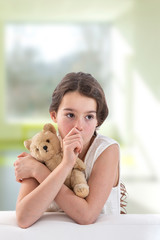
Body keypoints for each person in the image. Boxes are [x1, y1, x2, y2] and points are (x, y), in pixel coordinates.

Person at [14, 72, 124, 229]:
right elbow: (24, 218)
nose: (78, 126)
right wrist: (62, 165)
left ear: (97, 120)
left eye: (89, 117)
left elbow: (87, 216)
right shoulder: (43, 148)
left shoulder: (107, 150)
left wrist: (40, 171)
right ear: (54, 115)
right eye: (70, 115)